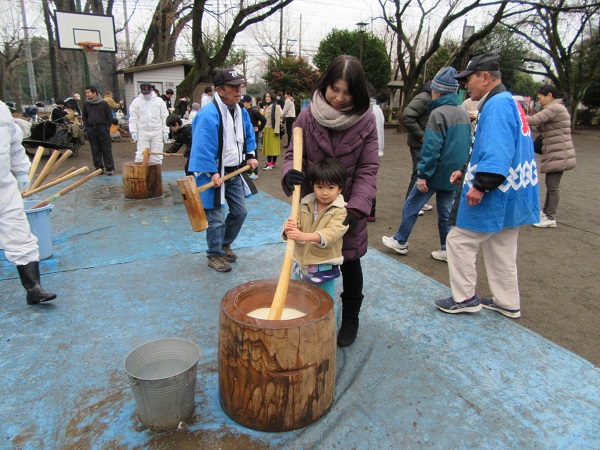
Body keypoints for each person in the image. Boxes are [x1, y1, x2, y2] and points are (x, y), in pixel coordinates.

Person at [281, 55, 379, 347]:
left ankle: (350, 318)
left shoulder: (366, 120)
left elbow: (367, 169)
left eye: (348, 92)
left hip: (344, 209)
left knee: (349, 262)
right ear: (325, 85)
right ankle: (307, 314)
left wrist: (358, 208)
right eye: (334, 89)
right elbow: (291, 154)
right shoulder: (307, 116)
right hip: (312, 206)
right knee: (306, 262)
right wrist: (290, 174)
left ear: (358, 93)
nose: (339, 98)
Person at [434, 54, 540, 319]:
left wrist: (481, 184)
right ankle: (507, 301)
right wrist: (467, 171)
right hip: (515, 190)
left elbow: (497, 149)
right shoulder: (510, 102)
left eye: (468, 78)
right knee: (501, 245)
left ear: (484, 77)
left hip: (496, 190)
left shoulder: (496, 105)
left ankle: (465, 298)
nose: (465, 85)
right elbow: (498, 147)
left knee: (459, 240)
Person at [382, 67, 471, 262]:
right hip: (455, 173)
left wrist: (423, 174)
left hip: (435, 172)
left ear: (438, 91)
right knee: (446, 212)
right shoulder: (463, 113)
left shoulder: (437, 114)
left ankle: (401, 240)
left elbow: (431, 148)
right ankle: (447, 249)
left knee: (412, 205)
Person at [188, 68, 259, 272]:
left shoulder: (241, 111)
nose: (239, 90)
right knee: (216, 218)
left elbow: (248, 135)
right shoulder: (207, 114)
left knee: (240, 211)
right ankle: (214, 254)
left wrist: (251, 155)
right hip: (215, 172)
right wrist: (212, 172)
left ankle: (224, 244)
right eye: (233, 86)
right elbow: (203, 145)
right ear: (220, 90)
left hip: (235, 171)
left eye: (240, 86)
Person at [0, 101, 57, 305]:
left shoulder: (1, 111)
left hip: (4, 186)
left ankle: (34, 288)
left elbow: (15, 145)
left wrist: (22, 170)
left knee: (20, 233)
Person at [282, 158, 349, 298]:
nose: (324, 193)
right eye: (320, 187)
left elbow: (332, 233)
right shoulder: (304, 204)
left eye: (330, 188)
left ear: (340, 188)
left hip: (323, 266)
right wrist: (289, 228)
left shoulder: (340, 211)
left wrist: (303, 236)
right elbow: (296, 223)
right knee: (299, 297)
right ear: (312, 185)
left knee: (323, 300)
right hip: (301, 263)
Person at [525, 84, 576, 228]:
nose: (539, 101)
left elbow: (534, 120)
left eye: (540, 98)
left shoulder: (554, 108)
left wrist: (516, 114)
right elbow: (540, 125)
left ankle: (550, 217)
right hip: (559, 152)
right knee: (551, 184)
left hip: (558, 153)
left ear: (549, 95)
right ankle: (546, 213)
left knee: (553, 186)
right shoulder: (557, 108)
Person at [401, 81, 434, 215]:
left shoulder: (427, 98)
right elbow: (407, 115)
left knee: (423, 172)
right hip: (419, 144)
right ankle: (411, 203)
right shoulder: (424, 98)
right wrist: (421, 135)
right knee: (418, 173)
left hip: (423, 143)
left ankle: (418, 201)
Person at [128, 82, 170, 165]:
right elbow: (133, 118)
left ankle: (155, 175)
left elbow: (165, 117)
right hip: (142, 132)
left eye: (147, 92)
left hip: (157, 131)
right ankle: (141, 175)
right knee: (141, 155)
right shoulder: (136, 102)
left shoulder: (159, 101)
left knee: (157, 155)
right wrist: (133, 131)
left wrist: (166, 131)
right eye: (144, 93)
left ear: (152, 90)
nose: (146, 94)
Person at [82, 85, 115, 175]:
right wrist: (87, 127)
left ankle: (110, 168)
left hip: (103, 128)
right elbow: (84, 117)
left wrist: (107, 128)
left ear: (94, 93)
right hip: (91, 129)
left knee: (106, 149)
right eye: (86, 93)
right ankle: (98, 167)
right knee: (95, 149)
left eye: (88, 92)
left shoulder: (104, 104)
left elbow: (109, 116)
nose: (87, 94)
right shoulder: (86, 104)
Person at [367, 82, 385, 222]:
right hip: (378, 150)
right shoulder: (378, 108)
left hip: (370, 151)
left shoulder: (368, 109)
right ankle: (371, 212)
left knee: (366, 181)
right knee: (370, 180)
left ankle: (369, 211)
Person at [240, 94, 266, 180]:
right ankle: (247, 171)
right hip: (245, 135)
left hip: (253, 134)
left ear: (250, 103)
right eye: (242, 102)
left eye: (245, 102)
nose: (243, 104)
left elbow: (263, 119)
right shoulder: (241, 111)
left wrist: (259, 129)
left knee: (253, 152)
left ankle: (255, 172)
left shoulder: (253, 111)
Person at [261, 91, 282, 170]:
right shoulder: (266, 107)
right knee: (269, 147)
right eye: (266, 96)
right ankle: (271, 163)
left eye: (268, 96)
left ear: (272, 97)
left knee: (273, 147)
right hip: (267, 128)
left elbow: (277, 119)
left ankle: (271, 163)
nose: (267, 98)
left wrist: (276, 130)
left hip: (273, 129)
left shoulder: (275, 106)